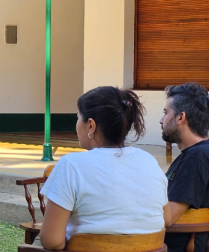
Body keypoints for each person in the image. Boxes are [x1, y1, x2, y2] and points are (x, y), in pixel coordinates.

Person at [39, 86, 169, 250]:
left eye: (78, 118)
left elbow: (52, 241)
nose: (77, 124)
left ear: (91, 125)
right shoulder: (148, 160)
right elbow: (166, 218)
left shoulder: (71, 165)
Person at [160, 82, 209, 252]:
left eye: (166, 113)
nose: (161, 120)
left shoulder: (197, 157)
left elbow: (168, 217)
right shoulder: (196, 153)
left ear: (181, 117)